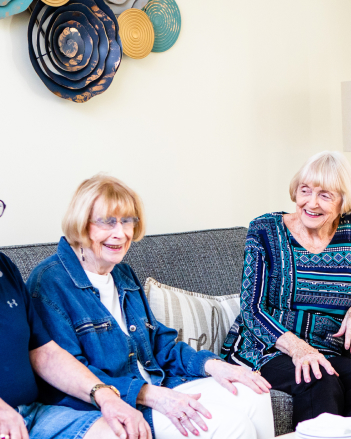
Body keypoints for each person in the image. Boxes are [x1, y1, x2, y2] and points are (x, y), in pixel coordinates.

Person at [26, 175, 275, 439]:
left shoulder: (122, 274)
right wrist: (153, 396)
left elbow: (160, 345)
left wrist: (214, 365)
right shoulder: (50, 282)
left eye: (127, 221)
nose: (120, 233)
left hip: (159, 385)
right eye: (107, 221)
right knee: (230, 425)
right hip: (116, 405)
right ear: (81, 223)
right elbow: (72, 374)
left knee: (254, 394)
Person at [221, 151, 351, 428]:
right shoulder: (265, 230)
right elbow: (251, 309)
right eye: (305, 191)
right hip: (265, 349)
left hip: (325, 350)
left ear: (342, 202)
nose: (311, 203)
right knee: (318, 379)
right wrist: (299, 349)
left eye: (325, 195)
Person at [0, 198, 151, 439]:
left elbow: (44, 351)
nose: (119, 233)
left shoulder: (4, 267)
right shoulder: (50, 279)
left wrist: (104, 395)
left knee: (120, 433)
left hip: (33, 414)